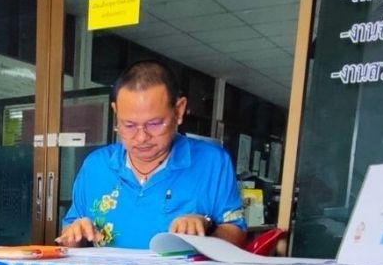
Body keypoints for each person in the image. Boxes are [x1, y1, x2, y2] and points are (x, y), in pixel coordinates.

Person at [58, 60, 246, 249]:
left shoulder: (212, 162)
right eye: (129, 125)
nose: (141, 138)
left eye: (154, 124)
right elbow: (69, 236)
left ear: (179, 111)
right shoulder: (96, 166)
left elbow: (236, 234)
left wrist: (207, 228)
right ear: (116, 113)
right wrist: (75, 235)